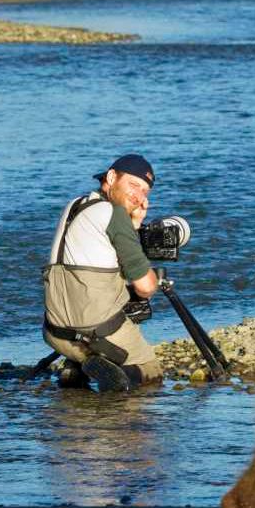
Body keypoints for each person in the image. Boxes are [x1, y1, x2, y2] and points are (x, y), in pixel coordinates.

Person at [42, 153, 164, 392]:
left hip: (55, 331)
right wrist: (156, 280)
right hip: (96, 330)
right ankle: (116, 378)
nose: (139, 197)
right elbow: (145, 287)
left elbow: (99, 253)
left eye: (145, 192)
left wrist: (134, 226)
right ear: (111, 177)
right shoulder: (114, 214)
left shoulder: (76, 205)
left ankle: (76, 367)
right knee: (152, 374)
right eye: (134, 185)